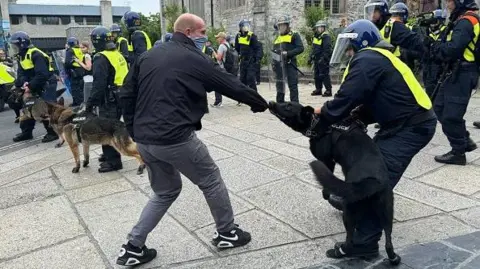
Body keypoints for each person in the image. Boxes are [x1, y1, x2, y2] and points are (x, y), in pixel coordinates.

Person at [117, 13, 268, 266]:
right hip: (175, 138)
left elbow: (126, 93)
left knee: (165, 192)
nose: (205, 37)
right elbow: (227, 82)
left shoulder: (148, 55)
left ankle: (133, 247)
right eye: (201, 32)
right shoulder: (194, 57)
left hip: (146, 139)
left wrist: (135, 131)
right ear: (187, 32)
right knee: (210, 179)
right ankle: (227, 232)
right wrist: (260, 102)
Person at [318, 19, 436, 259]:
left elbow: (349, 95)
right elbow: (377, 98)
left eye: (350, 48)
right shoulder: (379, 58)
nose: (349, 53)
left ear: (362, 42)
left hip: (410, 128)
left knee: (374, 181)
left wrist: (325, 113)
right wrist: (357, 118)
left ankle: (364, 243)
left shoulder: (368, 58)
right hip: (404, 124)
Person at [428, 0, 479, 165]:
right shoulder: (462, 19)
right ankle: (464, 140)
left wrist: (435, 47)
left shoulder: (466, 22)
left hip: (463, 73)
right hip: (456, 72)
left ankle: (459, 152)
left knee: (451, 115)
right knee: (439, 106)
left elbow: (453, 49)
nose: (448, 5)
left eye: (450, 1)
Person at [85, 26, 128, 173]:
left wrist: (90, 103)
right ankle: (109, 153)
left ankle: (113, 162)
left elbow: (99, 84)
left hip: (109, 98)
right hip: (122, 94)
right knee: (116, 126)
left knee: (106, 130)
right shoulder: (117, 54)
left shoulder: (100, 57)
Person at [9, 31, 59, 143]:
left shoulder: (36, 54)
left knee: (46, 108)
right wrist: (23, 83)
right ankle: (26, 132)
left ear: (22, 44)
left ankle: (53, 133)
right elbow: (21, 74)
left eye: (15, 45)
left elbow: (42, 74)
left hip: (46, 83)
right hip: (33, 83)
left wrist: (30, 86)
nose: (14, 48)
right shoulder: (21, 56)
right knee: (27, 107)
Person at [272, 15, 305, 103]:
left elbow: (300, 48)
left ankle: (295, 105)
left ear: (287, 25)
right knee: (280, 85)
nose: (281, 27)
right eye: (280, 25)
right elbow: (274, 52)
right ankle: (279, 104)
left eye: (283, 25)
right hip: (279, 65)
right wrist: (273, 63)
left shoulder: (294, 35)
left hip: (290, 64)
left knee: (293, 85)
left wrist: (288, 53)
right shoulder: (277, 37)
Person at [422, 9, 447, 97]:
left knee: (438, 92)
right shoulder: (428, 32)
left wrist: (434, 44)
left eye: (434, 21)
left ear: (440, 21)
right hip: (428, 65)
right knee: (428, 89)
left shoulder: (446, 31)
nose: (432, 24)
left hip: (440, 66)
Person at [235, 19, 261, 93]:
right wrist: (239, 56)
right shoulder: (238, 36)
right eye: (244, 26)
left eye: (246, 26)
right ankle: (243, 97)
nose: (245, 28)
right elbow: (237, 48)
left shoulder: (252, 36)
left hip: (251, 60)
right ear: (240, 27)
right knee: (242, 79)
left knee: (250, 78)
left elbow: (258, 48)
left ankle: (255, 96)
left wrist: (257, 59)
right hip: (243, 60)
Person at [310, 20, 333, 97]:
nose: (319, 29)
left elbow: (327, 49)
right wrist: (310, 57)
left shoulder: (326, 36)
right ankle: (318, 89)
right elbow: (313, 48)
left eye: (321, 27)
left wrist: (323, 58)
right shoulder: (316, 36)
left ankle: (328, 90)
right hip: (316, 59)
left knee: (324, 75)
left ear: (324, 28)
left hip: (323, 59)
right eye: (318, 27)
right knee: (316, 75)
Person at [64, 37, 85, 106]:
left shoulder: (70, 50)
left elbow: (67, 62)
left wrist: (66, 70)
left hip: (74, 71)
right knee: (80, 87)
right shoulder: (80, 49)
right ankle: (79, 101)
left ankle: (78, 103)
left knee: (74, 88)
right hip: (81, 70)